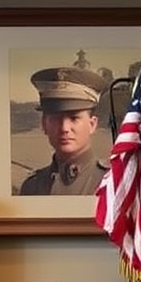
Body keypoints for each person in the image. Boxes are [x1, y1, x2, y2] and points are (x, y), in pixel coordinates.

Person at [18, 66, 109, 195]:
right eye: (55, 118)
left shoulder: (112, 183)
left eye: (74, 118)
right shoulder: (32, 187)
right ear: (44, 124)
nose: (64, 128)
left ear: (92, 124)